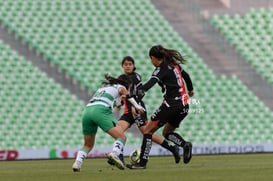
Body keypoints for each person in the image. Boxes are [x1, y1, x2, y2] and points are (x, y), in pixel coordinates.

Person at [126, 45, 194, 169]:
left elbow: (149, 84)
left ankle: (142, 164)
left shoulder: (160, 69)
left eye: (150, 59)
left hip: (171, 105)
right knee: (167, 132)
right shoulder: (174, 65)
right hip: (184, 105)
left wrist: (136, 93)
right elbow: (187, 76)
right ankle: (184, 145)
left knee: (147, 131)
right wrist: (190, 90)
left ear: (153, 57)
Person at [108, 56, 180, 165]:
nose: (128, 66)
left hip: (138, 109)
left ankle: (172, 148)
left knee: (147, 132)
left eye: (130, 64)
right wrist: (120, 103)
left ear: (133, 66)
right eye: (125, 64)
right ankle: (119, 157)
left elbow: (139, 93)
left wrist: (135, 106)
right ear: (122, 66)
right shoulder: (121, 78)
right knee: (118, 132)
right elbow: (124, 94)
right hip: (128, 112)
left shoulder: (136, 77)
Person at [72, 74, 145, 171]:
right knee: (121, 137)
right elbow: (126, 94)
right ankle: (114, 154)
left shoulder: (103, 89)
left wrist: (119, 103)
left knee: (88, 145)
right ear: (127, 84)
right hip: (100, 110)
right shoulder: (121, 87)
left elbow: (116, 98)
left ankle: (77, 163)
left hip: (87, 111)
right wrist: (137, 106)